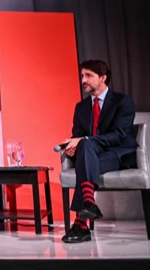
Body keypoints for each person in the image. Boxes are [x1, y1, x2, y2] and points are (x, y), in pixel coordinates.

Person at [59, 59, 136, 243]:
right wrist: (71, 145)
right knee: (85, 152)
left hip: (117, 153)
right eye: (82, 76)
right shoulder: (81, 107)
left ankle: (80, 224)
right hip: (91, 155)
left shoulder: (122, 101)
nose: (83, 80)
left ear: (103, 78)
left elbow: (118, 135)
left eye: (88, 75)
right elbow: (77, 135)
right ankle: (89, 204)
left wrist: (83, 141)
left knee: (85, 156)